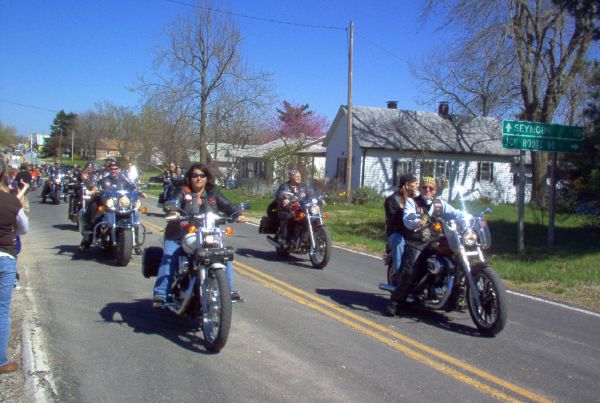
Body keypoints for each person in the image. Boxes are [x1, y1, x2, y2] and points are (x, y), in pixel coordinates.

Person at [152, 163, 246, 307]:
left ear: (207, 178)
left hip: (207, 233)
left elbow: (227, 205)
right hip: (180, 235)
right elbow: (173, 202)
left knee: (223, 255)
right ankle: (161, 293)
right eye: (195, 175)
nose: (198, 178)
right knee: (170, 256)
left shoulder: (213, 193)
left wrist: (237, 213)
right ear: (189, 178)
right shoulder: (182, 191)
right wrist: (174, 210)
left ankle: (229, 290)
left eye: (202, 176)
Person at [384, 176, 467, 316]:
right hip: (417, 239)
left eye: (431, 188)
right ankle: (395, 303)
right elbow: (408, 218)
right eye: (424, 187)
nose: (427, 190)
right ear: (420, 189)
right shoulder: (412, 202)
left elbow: (455, 213)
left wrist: (470, 217)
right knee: (409, 269)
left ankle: (455, 296)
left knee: (457, 259)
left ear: (435, 190)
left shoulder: (440, 204)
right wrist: (416, 221)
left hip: (436, 239)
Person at [0, 154, 29, 374]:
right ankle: (0, 361)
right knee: (1, 311)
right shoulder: (11, 201)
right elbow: (23, 228)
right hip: (4, 257)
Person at [384, 173, 418, 283]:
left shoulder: (417, 200)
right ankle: (400, 277)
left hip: (416, 232)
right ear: (406, 185)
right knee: (398, 242)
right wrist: (401, 211)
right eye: (415, 183)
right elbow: (393, 220)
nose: (417, 186)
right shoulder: (392, 200)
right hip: (398, 232)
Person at [274, 169, 311, 247]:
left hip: (301, 209)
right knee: (288, 216)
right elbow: (278, 195)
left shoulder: (304, 186)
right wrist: (284, 199)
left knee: (311, 217)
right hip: (286, 210)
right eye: (296, 176)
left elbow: (310, 195)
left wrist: (317, 199)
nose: (299, 178)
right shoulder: (285, 186)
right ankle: (283, 238)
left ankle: (306, 238)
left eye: (300, 176)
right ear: (291, 177)